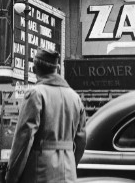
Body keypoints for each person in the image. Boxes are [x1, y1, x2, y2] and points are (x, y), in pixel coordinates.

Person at [5, 48, 86, 183]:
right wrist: (71, 164)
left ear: (34, 69)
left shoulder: (35, 94)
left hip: (40, 174)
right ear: (57, 69)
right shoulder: (75, 98)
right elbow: (81, 141)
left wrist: (11, 175)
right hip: (68, 174)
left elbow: (24, 139)